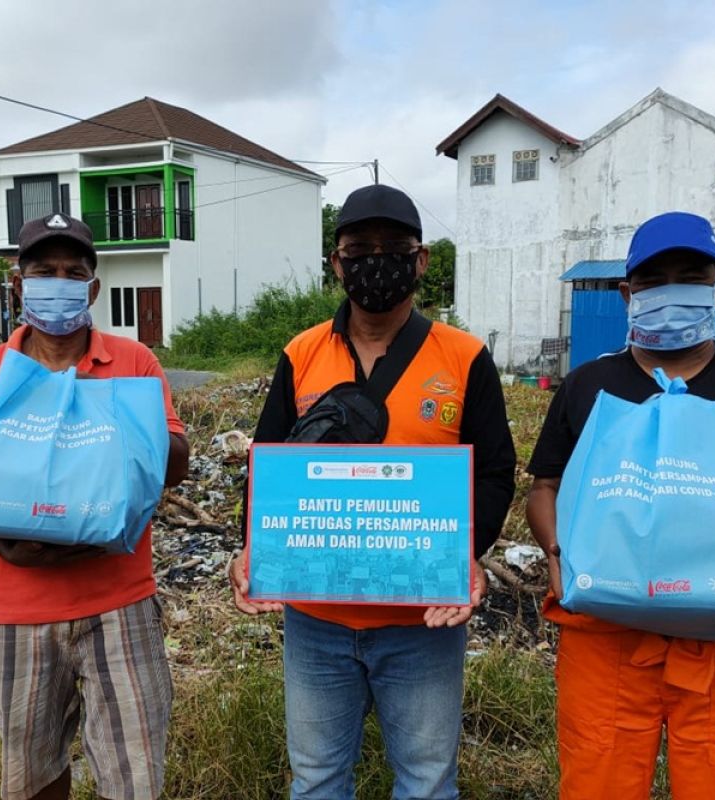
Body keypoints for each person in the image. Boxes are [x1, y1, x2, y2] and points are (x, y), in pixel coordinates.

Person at [525, 212, 715, 799]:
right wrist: (556, 549)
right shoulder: (588, 385)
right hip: (605, 635)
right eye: (652, 279)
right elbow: (545, 488)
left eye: (690, 275)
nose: (670, 290)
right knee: (596, 783)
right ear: (626, 294)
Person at [229, 185, 517, 799]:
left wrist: (464, 554)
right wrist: (251, 547)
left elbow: (495, 472)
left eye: (394, 248)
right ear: (336, 261)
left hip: (422, 622)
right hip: (316, 622)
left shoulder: (464, 358)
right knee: (316, 779)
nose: (375, 261)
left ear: (422, 260)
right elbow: (268, 466)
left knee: (426, 781)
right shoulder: (301, 354)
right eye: (360, 248)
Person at [0, 212, 191, 800]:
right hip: (17, 607)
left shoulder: (134, 365)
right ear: (19, 283)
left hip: (120, 602)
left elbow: (173, 467)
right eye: (44, 271)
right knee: (32, 775)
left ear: (93, 288)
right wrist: (17, 548)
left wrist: (136, 423)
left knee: (133, 773)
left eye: (74, 272)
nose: (60, 282)